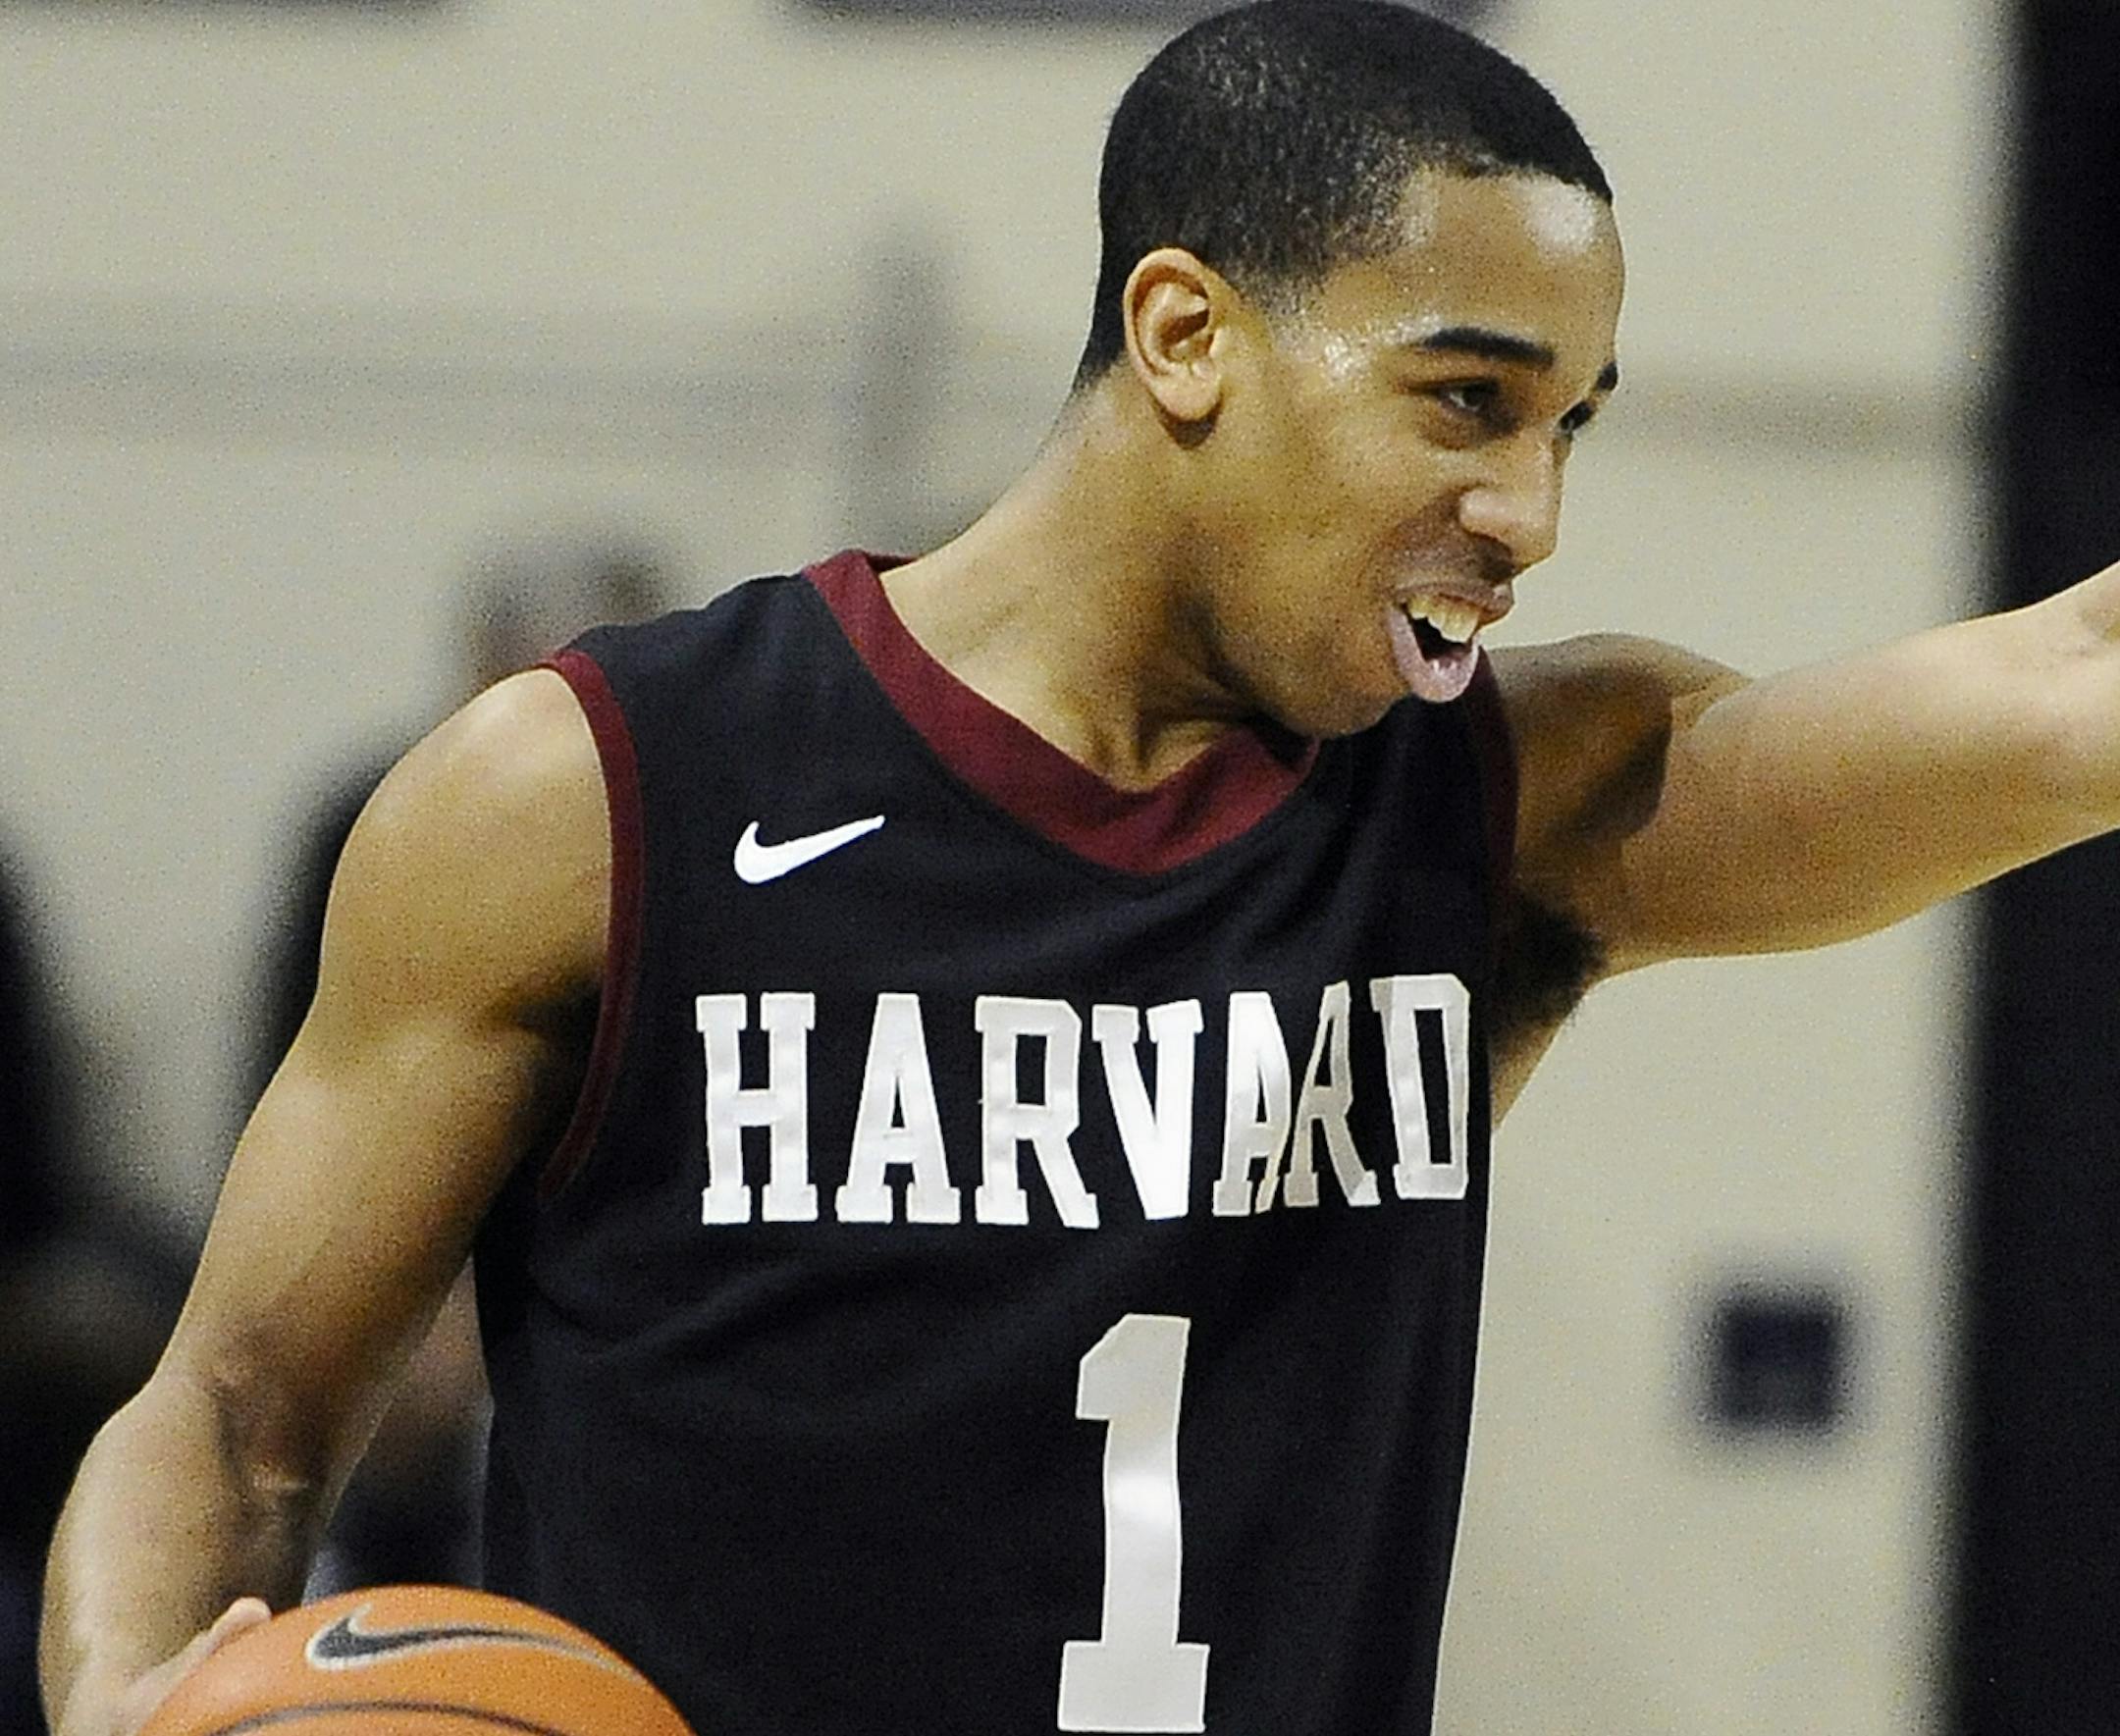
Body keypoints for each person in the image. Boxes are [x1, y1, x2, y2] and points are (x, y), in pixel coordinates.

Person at [34, 4, 2119, 1733]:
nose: (1531, 507)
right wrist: (130, 1695)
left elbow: (2072, 680)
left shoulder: (1509, 811)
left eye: (1574, 422)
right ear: (1187, 332)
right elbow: (230, 1413)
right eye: (1466, 400)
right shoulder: (592, 795)